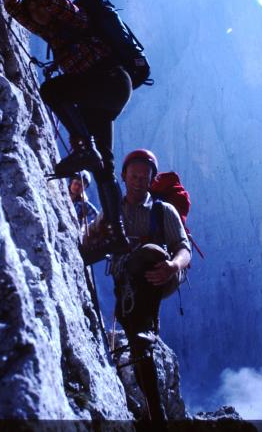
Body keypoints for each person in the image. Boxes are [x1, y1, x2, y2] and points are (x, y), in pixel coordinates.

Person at [0, 0, 132, 253]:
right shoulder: (47, 29)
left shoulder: (70, 13)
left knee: (52, 90)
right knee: (105, 166)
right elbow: (14, 6)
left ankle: (85, 148)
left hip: (111, 81)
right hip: (99, 97)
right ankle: (118, 235)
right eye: (34, 8)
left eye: (38, 5)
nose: (36, 11)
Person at [85, 149, 191, 421]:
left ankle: (144, 324)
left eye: (145, 176)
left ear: (152, 179)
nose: (139, 180)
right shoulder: (113, 211)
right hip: (128, 280)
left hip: (161, 274)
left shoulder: (163, 211)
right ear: (124, 177)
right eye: (134, 175)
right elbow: (89, 242)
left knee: (151, 253)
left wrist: (172, 266)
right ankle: (156, 415)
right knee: (138, 345)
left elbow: (183, 249)